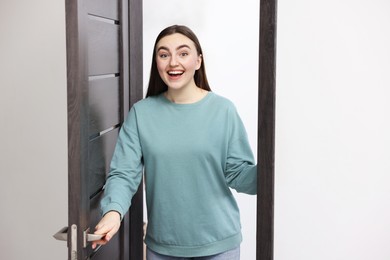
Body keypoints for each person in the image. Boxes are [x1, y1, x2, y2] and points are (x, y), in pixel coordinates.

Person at [92, 25, 257, 260]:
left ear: (198, 61)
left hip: (220, 246)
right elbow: (124, 173)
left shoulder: (224, 111)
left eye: (183, 53)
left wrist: (272, 172)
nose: (173, 63)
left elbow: (238, 174)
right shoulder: (142, 113)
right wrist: (113, 212)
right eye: (164, 54)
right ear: (157, 62)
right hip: (163, 249)